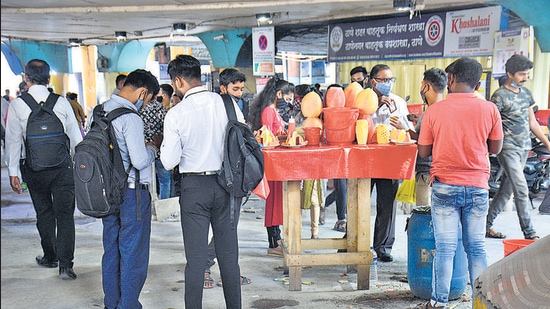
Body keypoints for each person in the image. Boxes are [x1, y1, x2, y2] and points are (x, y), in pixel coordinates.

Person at [417, 57, 503, 309]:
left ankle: (438, 302)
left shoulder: (435, 111)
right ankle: (483, 304)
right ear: (478, 84)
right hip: (477, 186)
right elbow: (495, 148)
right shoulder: (490, 109)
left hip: (444, 187)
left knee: (444, 249)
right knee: (476, 248)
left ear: (451, 79)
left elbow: (423, 152)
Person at [160, 54, 243, 309]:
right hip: (227, 184)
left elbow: (168, 161)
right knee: (229, 257)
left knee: (195, 261)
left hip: (194, 188)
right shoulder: (227, 104)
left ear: (177, 81)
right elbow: (242, 139)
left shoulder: (176, 114)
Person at [5, 59, 83, 279]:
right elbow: (76, 138)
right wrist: (79, 166)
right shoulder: (61, 102)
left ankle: (50, 256)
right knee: (65, 215)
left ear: (26, 78)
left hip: (34, 169)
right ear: (49, 78)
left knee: (44, 213)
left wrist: (13, 172)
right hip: (62, 168)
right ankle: (66, 266)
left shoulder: (18, 105)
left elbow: (13, 141)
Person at [101, 69, 160, 309]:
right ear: (142, 92)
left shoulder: (101, 110)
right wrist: (153, 148)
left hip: (106, 192)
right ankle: (128, 305)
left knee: (111, 250)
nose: (145, 104)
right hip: (132, 193)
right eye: (148, 99)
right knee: (133, 252)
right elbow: (138, 160)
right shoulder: (131, 117)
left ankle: (111, 303)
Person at [485, 54, 550, 240]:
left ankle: (485, 225)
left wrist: (547, 144)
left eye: (527, 74)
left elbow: (532, 123)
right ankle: (529, 234)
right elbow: (490, 124)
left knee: (507, 190)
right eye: (522, 74)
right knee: (521, 188)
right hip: (507, 148)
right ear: (510, 74)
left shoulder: (526, 94)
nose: (525, 78)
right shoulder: (499, 96)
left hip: (524, 148)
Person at [369, 64, 414, 262]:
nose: (388, 84)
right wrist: (376, 105)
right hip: (365, 160)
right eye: (383, 80)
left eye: (390, 80)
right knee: (359, 201)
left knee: (387, 204)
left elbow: (406, 130)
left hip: (389, 160)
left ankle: (383, 247)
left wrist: (393, 112)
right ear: (373, 82)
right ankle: (353, 242)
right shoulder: (363, 101)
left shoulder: (397, 101)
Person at [249, 76, 294, 257]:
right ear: (279, 94)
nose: (289, 102)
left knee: (277, 202)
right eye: (288, 98)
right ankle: (273, 241)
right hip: (272, 162)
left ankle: (277, 238)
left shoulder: (274, 110)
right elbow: (266, 136)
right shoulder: (269, 110)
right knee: (273, 203)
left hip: (278, 162)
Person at [390, 68, 447, 207]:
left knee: (424, 212)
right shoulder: (444, 109)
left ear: (426, 86)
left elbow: (424, 141)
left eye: (422, 84)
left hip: (427, 172)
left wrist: (404, 128)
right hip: (440, 171)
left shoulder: (431, 111)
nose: (421, 89)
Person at [139, 84, 170, 200]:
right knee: (164, 181)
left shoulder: (140, 110)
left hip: (144, 150)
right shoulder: (162, 110)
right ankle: (163, 207)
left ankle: (149, 204)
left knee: (146, 182)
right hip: (160, 150)